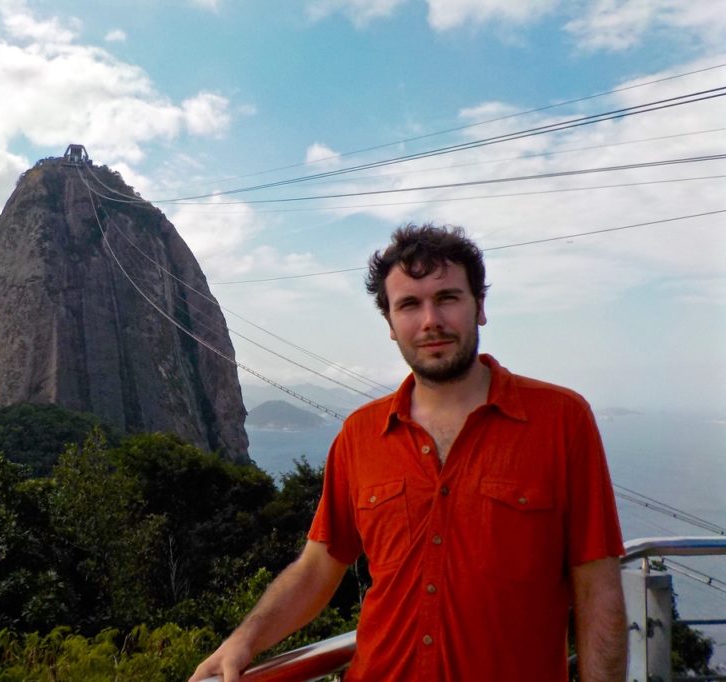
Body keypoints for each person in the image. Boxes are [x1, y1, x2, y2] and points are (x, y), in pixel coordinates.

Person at [189, 224, 627, 682]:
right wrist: (245, 639)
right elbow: (319, 567)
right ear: (391, 325)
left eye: (448, 298)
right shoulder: (360, 435)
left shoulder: (561, 420)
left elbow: (598, 587)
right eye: (410, 305)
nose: (430, 321)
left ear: (480, 307)